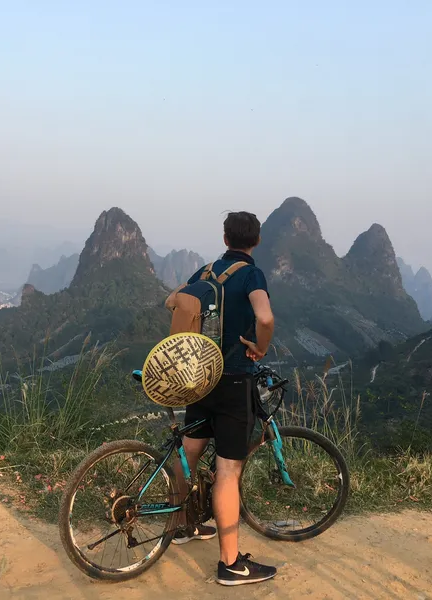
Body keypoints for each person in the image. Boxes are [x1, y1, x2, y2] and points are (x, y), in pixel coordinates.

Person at [164, 211, 276, 586]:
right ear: (255, 241)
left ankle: (181, 527)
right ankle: (230, 564)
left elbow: (172, 300)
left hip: (199, 377)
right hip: (232, 382)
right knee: (228, 471)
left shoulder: (206, 271)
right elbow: (265, 317)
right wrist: (259, 348)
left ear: (225, 238)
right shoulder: (251, 274)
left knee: (189, 453)